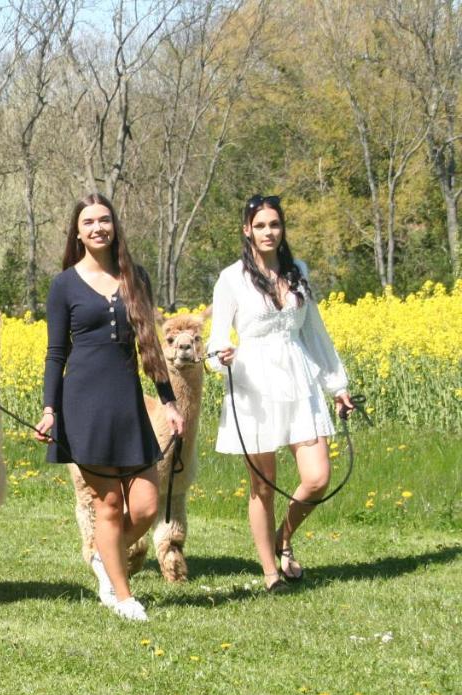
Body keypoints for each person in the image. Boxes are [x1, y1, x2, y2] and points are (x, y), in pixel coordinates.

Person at [35, 194, 183, 622]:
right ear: (77, 232)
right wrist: (50, 409)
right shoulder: (64, 284)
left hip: (128, 404)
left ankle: (103, 553)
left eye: (104, 220)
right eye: (88, 222)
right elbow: (55, 353)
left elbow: (150, 345)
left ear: (114, 225)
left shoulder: (135, 277)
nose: (98, 227)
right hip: (83, 402)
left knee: (147, 505)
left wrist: (169, 401)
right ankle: (122, 595)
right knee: (109, 505)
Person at [209, 194, 354, 592]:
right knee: (263, 484)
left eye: (274, 224)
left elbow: (314, 333)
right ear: (246, 230)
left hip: (299, 379)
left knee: (317, 476)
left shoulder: (298, 271)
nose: (268, 232)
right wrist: (219, 358)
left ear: (282, 228)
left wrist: (337, 385)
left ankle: (283, 538)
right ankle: (270, 572)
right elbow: (216, 340)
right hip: (254, 384)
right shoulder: (231, 278)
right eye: (260, 226)